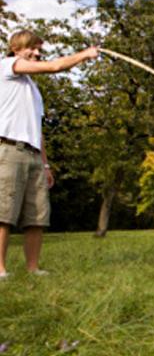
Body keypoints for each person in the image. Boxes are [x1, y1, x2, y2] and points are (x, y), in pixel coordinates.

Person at [0, 30, 99, 280]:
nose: (36, 53)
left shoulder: (33, 91)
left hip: (33, 154)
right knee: (4, 212)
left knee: (37, 215)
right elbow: (54, 67)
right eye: (31, 48)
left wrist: (45, 164)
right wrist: (85, 54)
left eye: (38, 49)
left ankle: (33, 268)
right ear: (16, 48)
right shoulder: (7, 66)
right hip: (8, 149)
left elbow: (37, 128)